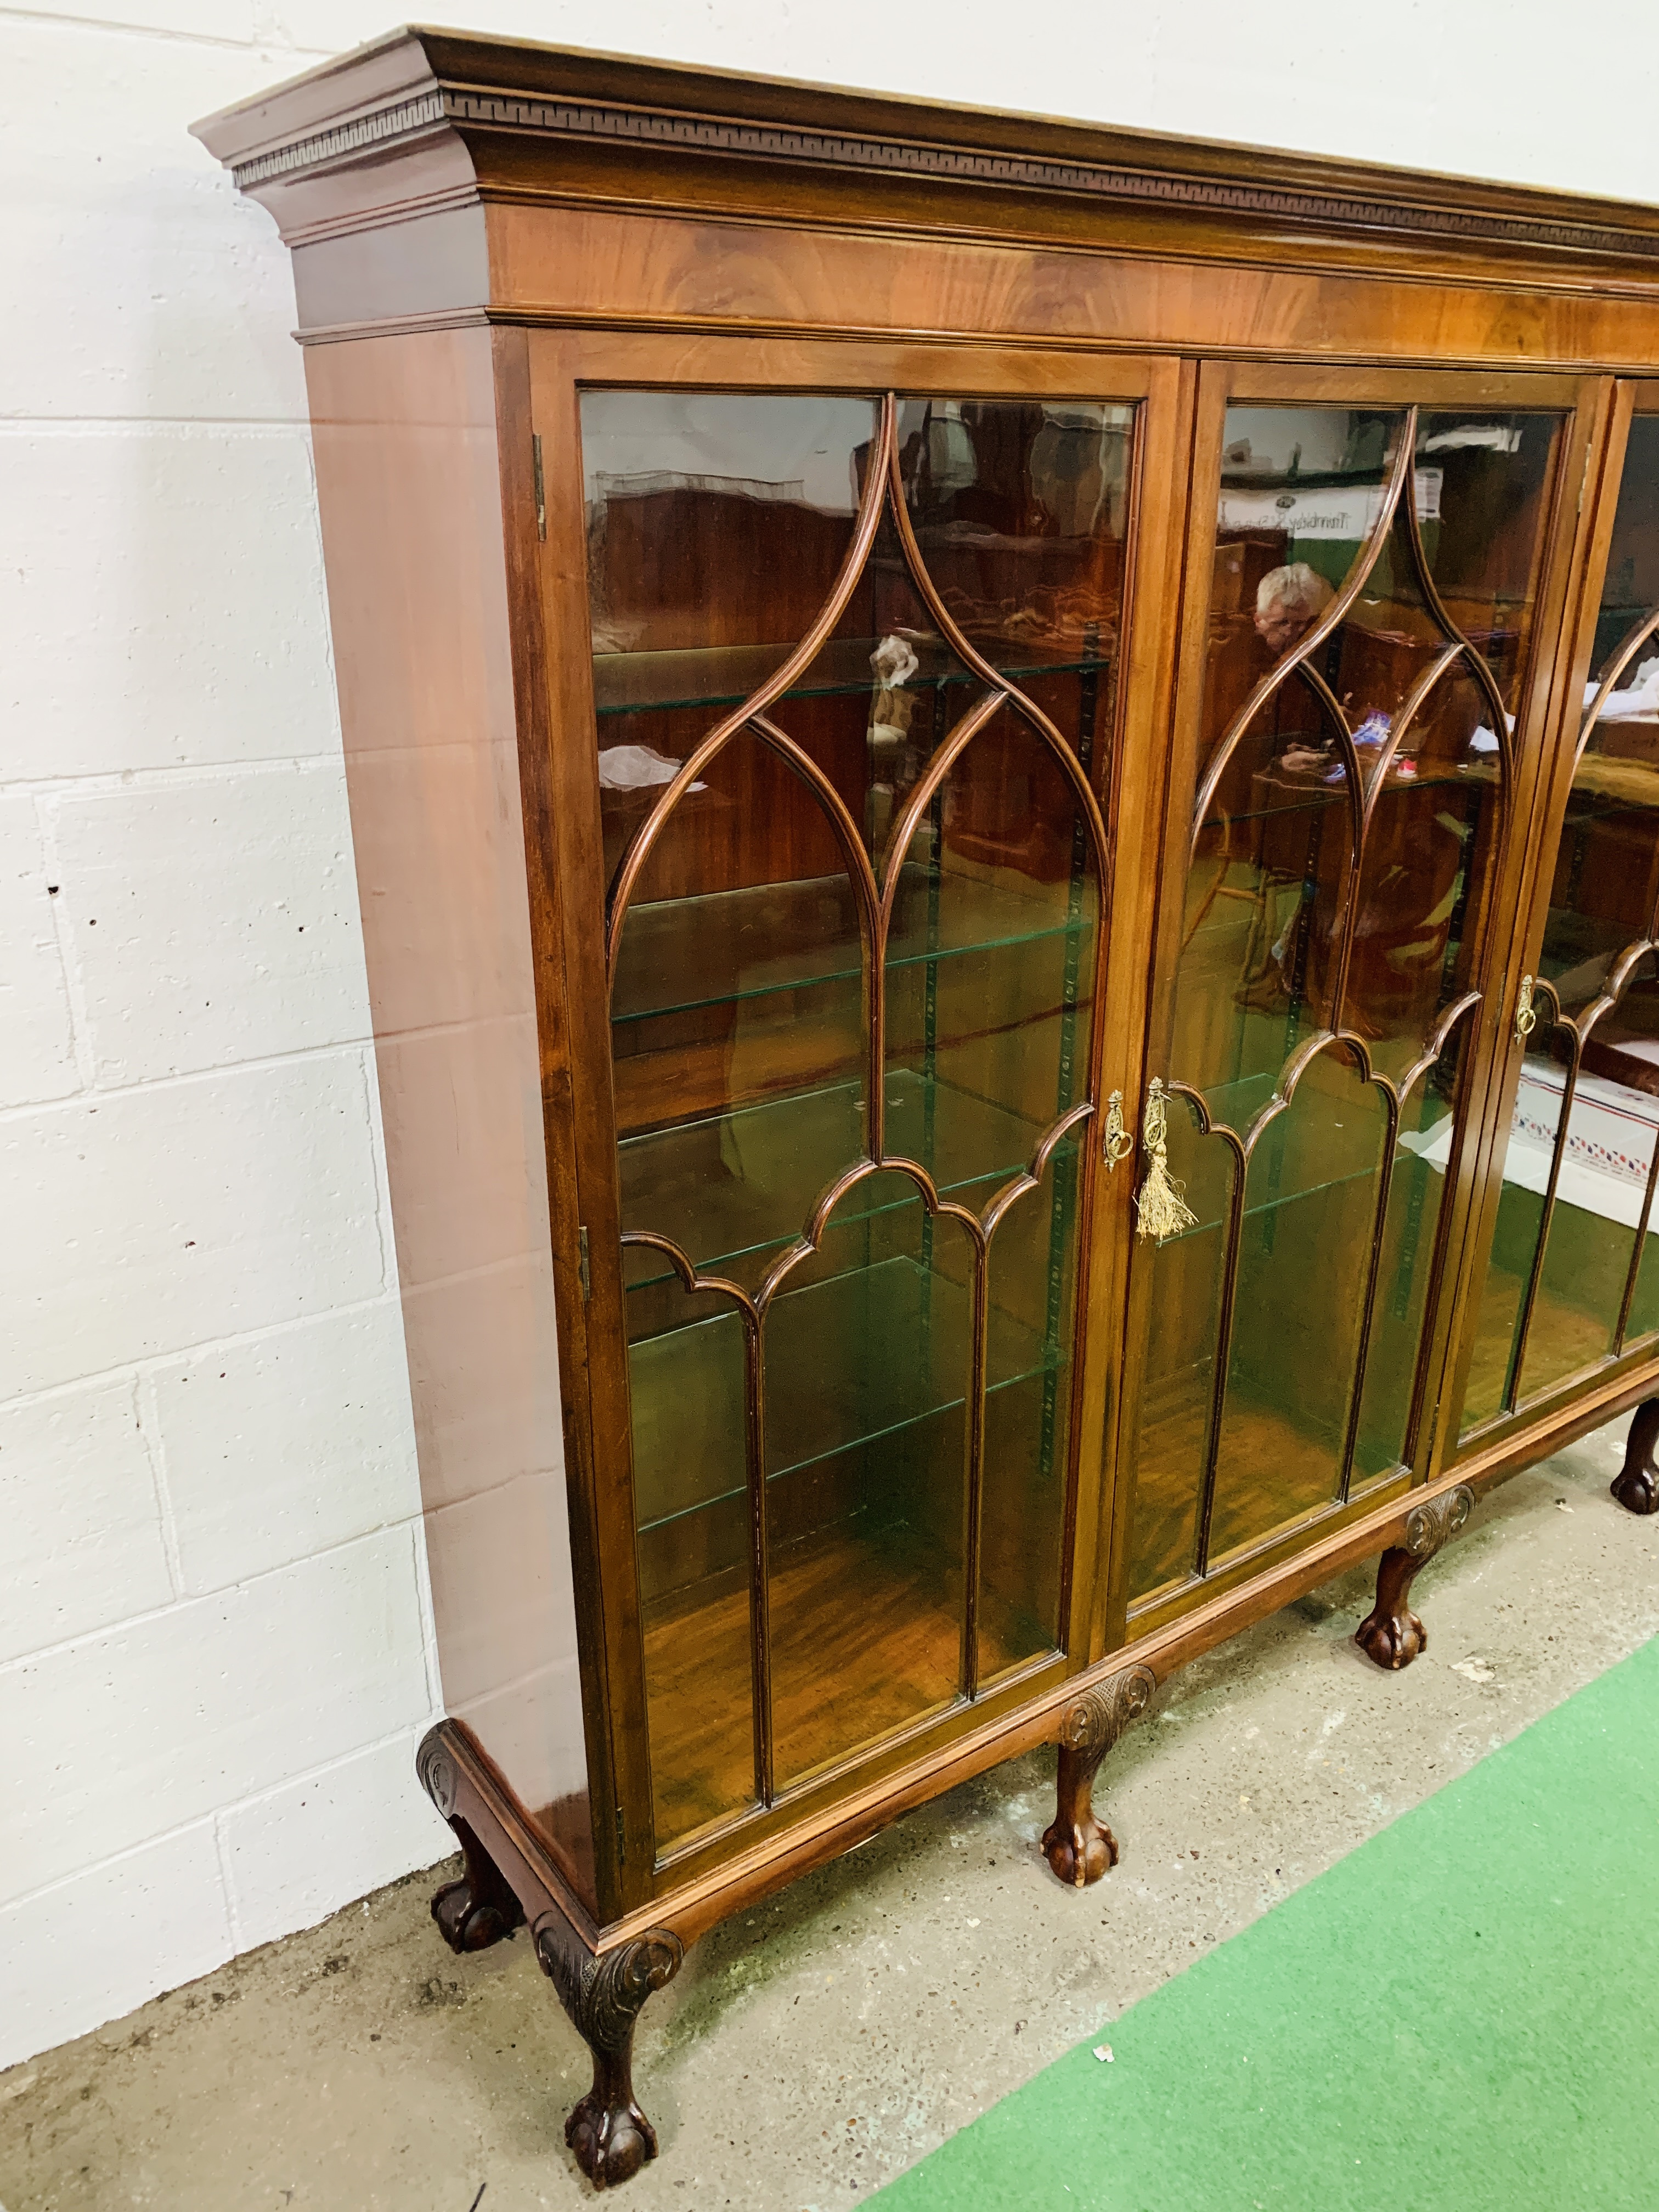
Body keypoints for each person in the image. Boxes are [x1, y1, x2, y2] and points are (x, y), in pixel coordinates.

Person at [1253, 561, 1334, 658]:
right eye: (1281, 623)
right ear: (1258, 619)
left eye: (1299, 623)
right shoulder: (1241, 651)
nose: (1289, 633)